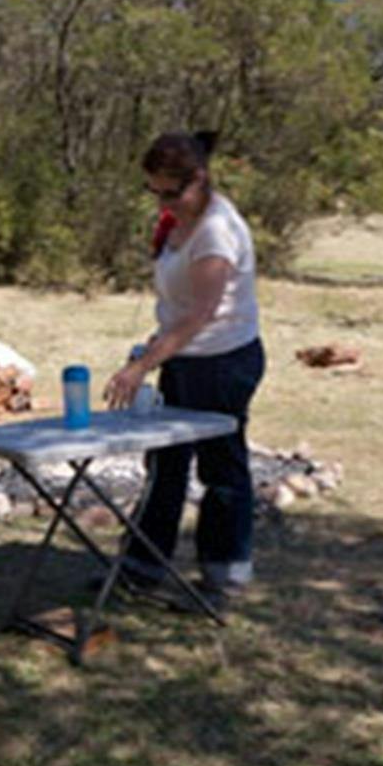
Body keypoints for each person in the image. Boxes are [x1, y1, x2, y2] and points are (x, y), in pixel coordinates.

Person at [102, 131, 265, 597]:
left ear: (200, 179)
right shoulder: (179, 219)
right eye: (154, 191)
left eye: (171, 193)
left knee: (220, 466)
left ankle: (224, 574)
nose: (162, 202)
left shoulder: (216, 230)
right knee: (165, 462)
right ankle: (142, 567)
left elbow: (200, 314)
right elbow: (179, 310)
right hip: (183, 356)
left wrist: (141, 367)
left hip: (223, 363)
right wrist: (155, 348)